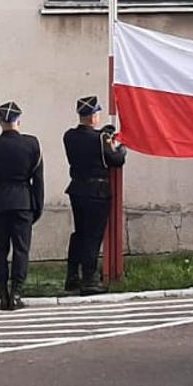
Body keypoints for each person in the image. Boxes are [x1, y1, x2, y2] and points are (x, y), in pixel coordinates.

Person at [0, 101, 43, 311]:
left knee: (0, 248)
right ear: (18, 121)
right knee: (21, 249)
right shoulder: (32, 144)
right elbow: (38, 180)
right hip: (23, 202)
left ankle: (2, 295)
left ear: (0, 122)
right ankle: (17, 292)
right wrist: (37, 206)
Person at [62, 96, 127, 294]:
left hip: (77, 189)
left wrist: (103, 136)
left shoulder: (69, 136)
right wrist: (121, 147)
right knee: (92, 236)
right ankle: (88, 280)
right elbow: (115, 159)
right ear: (94, 116)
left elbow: (88, 140)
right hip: (97, 192)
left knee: (79, 234)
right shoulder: (100, 139)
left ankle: (72, 275)